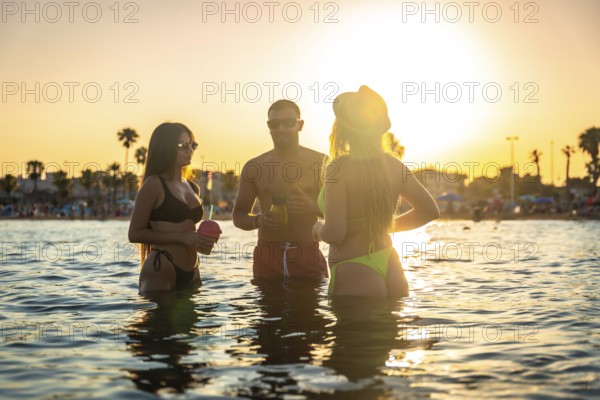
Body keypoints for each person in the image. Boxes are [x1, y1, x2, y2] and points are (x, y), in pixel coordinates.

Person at [312, 86, 439, 297]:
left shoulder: (338, 168)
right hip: (391, 264)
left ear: (342, 129)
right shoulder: (393, 165)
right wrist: (383, 227)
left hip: (354, 268)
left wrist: (317, 228)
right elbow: (429, 211)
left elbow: (335, 233)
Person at [233, 99, 328, 282]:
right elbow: (238, 215)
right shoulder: (255, 167)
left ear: (300, 125)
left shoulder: (321, 162)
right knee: (269, 308)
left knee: (309, 308)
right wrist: (260, 220)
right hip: (268, 255)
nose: (281, 129)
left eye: (288, 122)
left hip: (307, 252)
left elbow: (341, 213)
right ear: (269, 127)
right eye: (274, 124)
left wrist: (313, 207)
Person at [129, 122, 218, 292]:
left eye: (193, 145)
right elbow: (134, 233)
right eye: (183, 145)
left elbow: (186, 228)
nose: (190, 150)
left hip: (193, 269)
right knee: (159, 319)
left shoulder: (192, 187)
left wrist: (203, 239)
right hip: (162, 267)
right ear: (165, 148)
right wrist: (184, 237)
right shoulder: (154, 184)